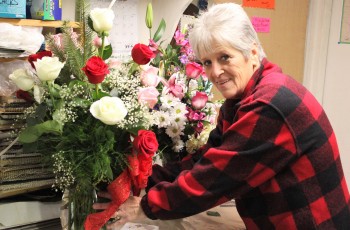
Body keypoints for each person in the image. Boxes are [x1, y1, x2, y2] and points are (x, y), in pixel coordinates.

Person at [94, 3, 350, 229]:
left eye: (224, 57)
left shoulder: (269, 105)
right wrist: (144, 179)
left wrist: (146, 207)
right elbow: (206, 159)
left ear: (252, 52)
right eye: (206, 62)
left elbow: (215, 179)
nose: (215, 72)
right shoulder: (241, 99)